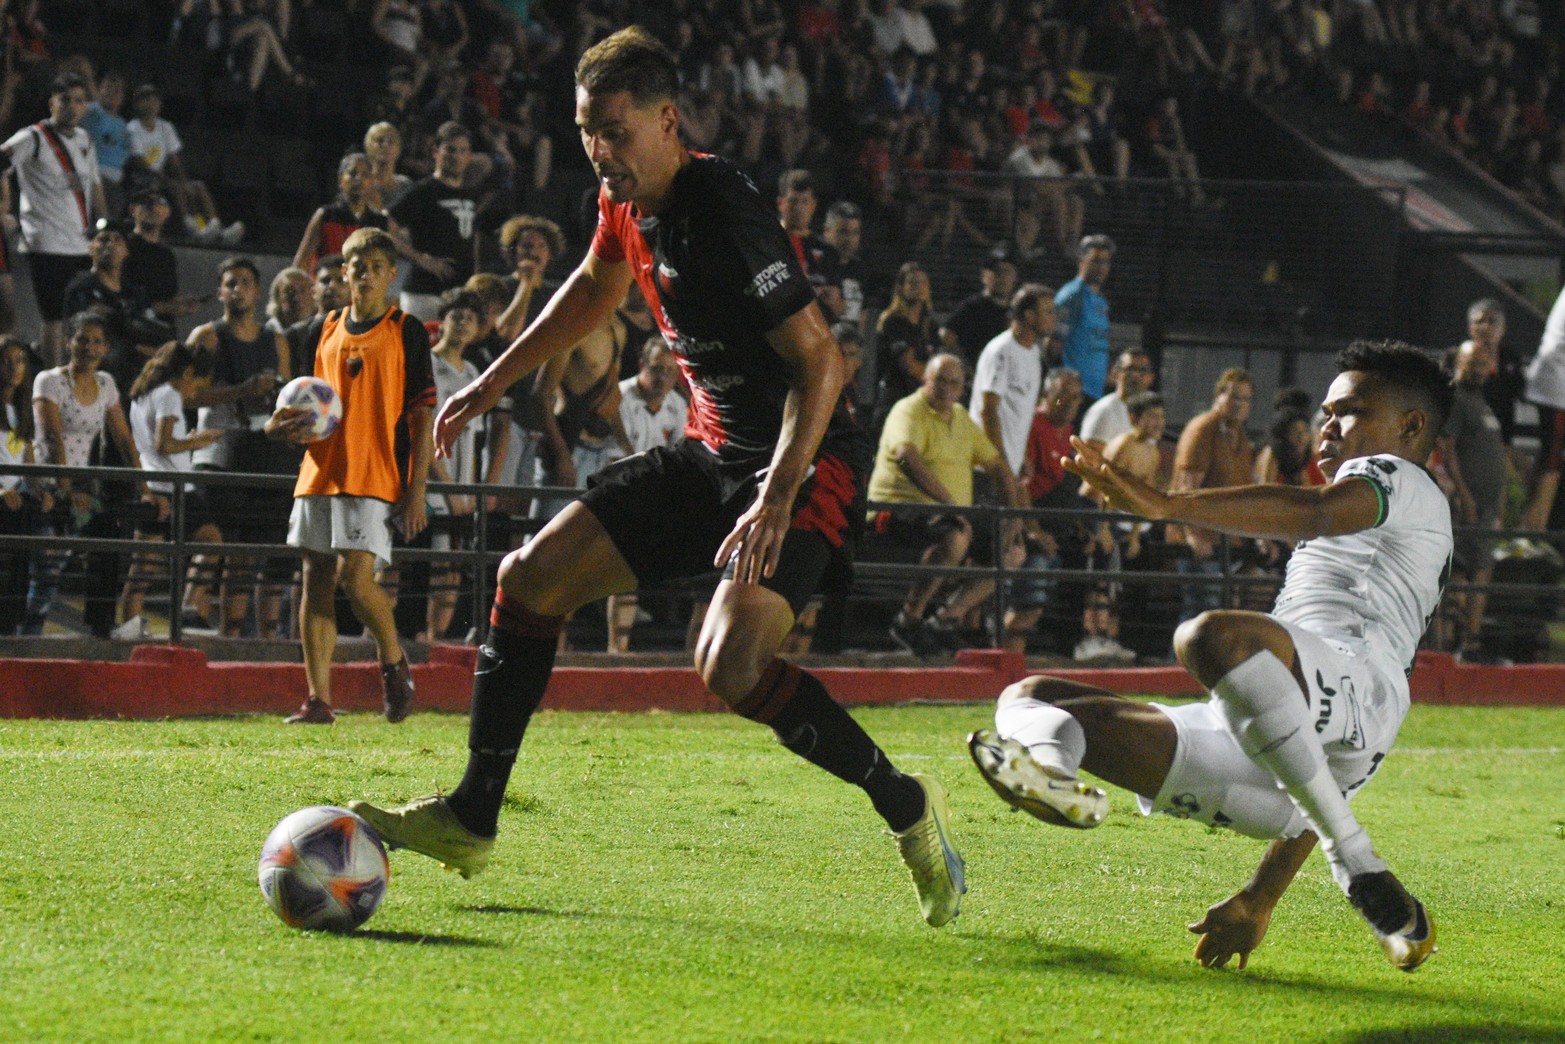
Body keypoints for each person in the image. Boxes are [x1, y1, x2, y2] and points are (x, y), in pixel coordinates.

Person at [349, 27, 966, 929]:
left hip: (804, 456)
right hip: (712, 451)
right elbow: (593, 291)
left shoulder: (724, 208)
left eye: (614, 129)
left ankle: (905, 807)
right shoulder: (622, 199)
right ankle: (472, 818)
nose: (599, 149)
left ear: (668, 121)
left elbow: (820, 363)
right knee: (528, 580)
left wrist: (776, 494)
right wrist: (487, 381)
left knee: (729, 662)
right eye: (585, 130)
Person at [969, 339, 1451, 973]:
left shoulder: (1400, 476)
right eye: (1326, 413)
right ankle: (1053, 775)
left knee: (1209, 637)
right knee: (1028, 698)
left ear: (1409, 426)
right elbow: (1320, 762)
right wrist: (1259, 899)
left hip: (1354, 686)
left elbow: (1318, 510)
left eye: (1348, 411)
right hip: (1285, 764)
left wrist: (1165, 503)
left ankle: (1352, 858)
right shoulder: (1382, 517)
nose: (1326, 426)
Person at [266, 227, 434, 725]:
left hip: (374, 471)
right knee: (314, 579)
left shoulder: (407, 330)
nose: (363, 275)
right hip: (320, 469)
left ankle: (393, 659)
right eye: (355, 266)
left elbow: (423, 415)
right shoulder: (326, 327)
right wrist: (279, 426)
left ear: (390, 275)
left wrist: (418, 486)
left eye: (375, 268)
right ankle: (318, 699)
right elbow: (303, 400)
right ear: (345, 271)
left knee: (355, 579)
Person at [870, 353, 1025, 658]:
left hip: (950, 513)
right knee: (955, 535)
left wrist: (1014, 517)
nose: (947, 388)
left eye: (955, 382)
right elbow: (906, 456)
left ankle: (943, 621)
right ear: (925, 379)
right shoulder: (908, 410)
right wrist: (953, 508)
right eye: (940, 379)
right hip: (899, 508)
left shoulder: (962, 419)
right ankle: (909, 619)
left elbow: (999, 468)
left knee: (1014, 551)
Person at [186, 256, 291, 638]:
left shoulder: (274, 340)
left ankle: (233, 637)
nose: (237, 289)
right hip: (216, 452)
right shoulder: (207, 337)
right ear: (220, 291)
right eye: (230, 283)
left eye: (245, 282)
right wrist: (241, 391)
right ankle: (191, 616)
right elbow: (187, 394)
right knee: (212, 539)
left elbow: (288, 394)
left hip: (259, 453)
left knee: (245, 554)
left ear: (257, 291)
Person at [31, 309, 148, 637]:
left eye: (98, 341)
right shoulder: (49, 380)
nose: (90, 347)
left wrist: (146, 487)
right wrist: (66, 490)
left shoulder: (106, 383)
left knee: (106, 539)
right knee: (47, 565)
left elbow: (124, 439)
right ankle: (27, 632)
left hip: (83, 482)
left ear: (106, 348)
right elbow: (53, 438)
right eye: (83, 339)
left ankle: (100, 627)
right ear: (69, 342)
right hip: (48, 478)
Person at [115, 342, 224, 641]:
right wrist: (197, 442)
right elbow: (165, 444)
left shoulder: (144, 393)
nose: (195, 393)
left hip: (153, 485)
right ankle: (189, 605)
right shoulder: (170, 395)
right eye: (197, 384)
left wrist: (185, 439)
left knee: (144, 566)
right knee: (211, 540)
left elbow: (157, 443)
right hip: (174, 489)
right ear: (187, 373)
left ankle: (131, 626)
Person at [1, 72, 106, 366]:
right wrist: (4, 209)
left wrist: (107, 225)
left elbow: (94, 185)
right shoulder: (33, 137)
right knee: (53, 316)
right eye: (65, 100)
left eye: (79, 101)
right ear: (51, 103)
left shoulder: (84, 138)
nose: (72, 107)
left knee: (87, 316)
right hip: (47, 242)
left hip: (82, 243)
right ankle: (52, 377)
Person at [606, 336, 688, 653]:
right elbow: (615, 459)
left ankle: (620, 649)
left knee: (630, 576)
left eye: (670, 371)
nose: (662, 377)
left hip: (653, 500)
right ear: (642, 365)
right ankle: (604, 649)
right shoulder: (620, 398)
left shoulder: (676, 405)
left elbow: (680, 456)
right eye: (656, 369)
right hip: (616, 496)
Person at [1437, 319, 1507, 663]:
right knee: (1462, 571)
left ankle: (1471, 642)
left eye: (1483, 363)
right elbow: (1447, 449)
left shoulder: (1481, 402)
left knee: (1481, 570)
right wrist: (1464, 495)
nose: (1480, 369)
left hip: (1488, 506)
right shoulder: (1456, 399)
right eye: (1472, 363)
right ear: (1457, 364)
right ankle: (1451, 644)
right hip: (1469, 506)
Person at [1170, 367, 1255, 625]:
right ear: (1218, 396)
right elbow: (1187, 486)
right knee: (1200, 611)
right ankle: (1177, 665)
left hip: (1226, 541)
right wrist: (1193, 534)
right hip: (1199, 538)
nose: (1239, 404)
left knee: (1217, 613)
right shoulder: (1203, 429)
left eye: (1245, 399)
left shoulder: (1237, 434)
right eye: (1233, 396)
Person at [422, 290, 483, 642]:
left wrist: (469, 487)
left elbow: (475, 436)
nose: (462, 324)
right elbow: (426, 428)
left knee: (454, 564)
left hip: (461, 480)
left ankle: (437, 633)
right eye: (456, 316)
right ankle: (420, 636)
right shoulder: (428, 363)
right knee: (436, 559)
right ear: (442, 321)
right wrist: (446, 486)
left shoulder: (473, 370)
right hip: (433, 478)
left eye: (470, 319)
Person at [124, 84, 243, 246]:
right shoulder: (132, 128)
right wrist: (169, 180)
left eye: (155, 100)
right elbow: (139, 162)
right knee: (175, 187)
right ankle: (192, 228)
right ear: (137, 104)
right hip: (141, 179)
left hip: (160, 177)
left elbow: (174, 161)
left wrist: (185, 182)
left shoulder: (166, 127)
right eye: (146, 100)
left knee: (197, 187)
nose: (152, 103)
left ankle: (216, 228)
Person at [390, 121, 482, 320]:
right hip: (423, 293)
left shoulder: (471, 193)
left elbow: (472, 240)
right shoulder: (422, 191)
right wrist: (420, 258)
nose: (456, 156)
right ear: (435, 151)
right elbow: (383, 227)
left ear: (469, 156)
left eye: (462, 151)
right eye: (450, 150)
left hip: (459, 296)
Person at [969, 283, 1054, 479]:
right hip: (987, 468)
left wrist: (1022, 457)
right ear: (1029, 316)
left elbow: (1021, 411)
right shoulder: (1001, 351)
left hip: (1010, 466)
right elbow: (988, 411)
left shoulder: (1033, 353)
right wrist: (1001, 463)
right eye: (1048, 312)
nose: (1053, 318)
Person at [0, 337, 51, 634]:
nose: (14, 368)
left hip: (14, 505)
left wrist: (39, 490)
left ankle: (14, 629)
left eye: (20, 361)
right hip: (3, 500)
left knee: (20, 572)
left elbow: (26, 461)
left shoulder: (18, 409)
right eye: (7, 361)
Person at [292, 153, 400, 273]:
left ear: (372, 182)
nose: (359, 179)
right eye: (352, 173)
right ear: (340, 180)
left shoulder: (379, 222)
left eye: (365, 175)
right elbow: (302, 262)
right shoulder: (326, 216)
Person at [1054, 234, 1114, 403]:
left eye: (1105, 262)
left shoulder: (1100, 300)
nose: (1101, 267)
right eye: (1096, 261)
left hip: (1095, 391)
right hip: (1074, 393)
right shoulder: (1073, 296)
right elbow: (1054, 345)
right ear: (1081, 260)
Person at [939, 254, 1018, 368]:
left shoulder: (1015, 311)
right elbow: (945, 333)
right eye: (998, 272)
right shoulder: (973, 306)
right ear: (985, 276)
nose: (1003, 277)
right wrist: (965, 366)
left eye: (1008, 272)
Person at [1080, 348, 1156, 451]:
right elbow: (1089, 456)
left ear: (1151, 378)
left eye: (1142, 370)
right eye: (1130, 369)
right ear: (1115, 373)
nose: (1135, 375)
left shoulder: (1151, 413)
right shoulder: (1103, 410)